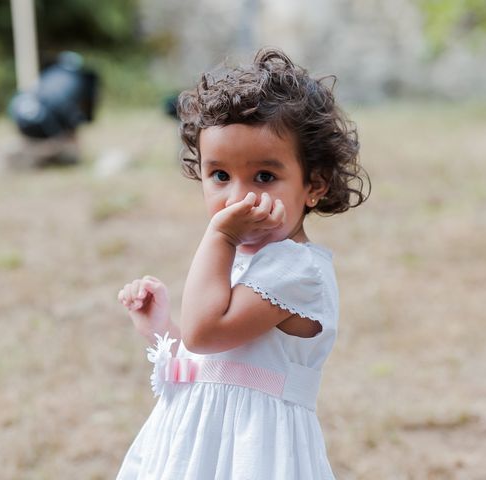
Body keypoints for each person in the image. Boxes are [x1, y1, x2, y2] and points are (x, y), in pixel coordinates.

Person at [116, 47, 369, 479]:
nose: (237, 198)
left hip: (252, 452)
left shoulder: (296, 271)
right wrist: (160, 329)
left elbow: (204, 332)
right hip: (197, 446)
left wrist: (220, 234)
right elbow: (213, 361)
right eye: (219, 176)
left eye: (264, 177)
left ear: (314, 184)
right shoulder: (238, 261)